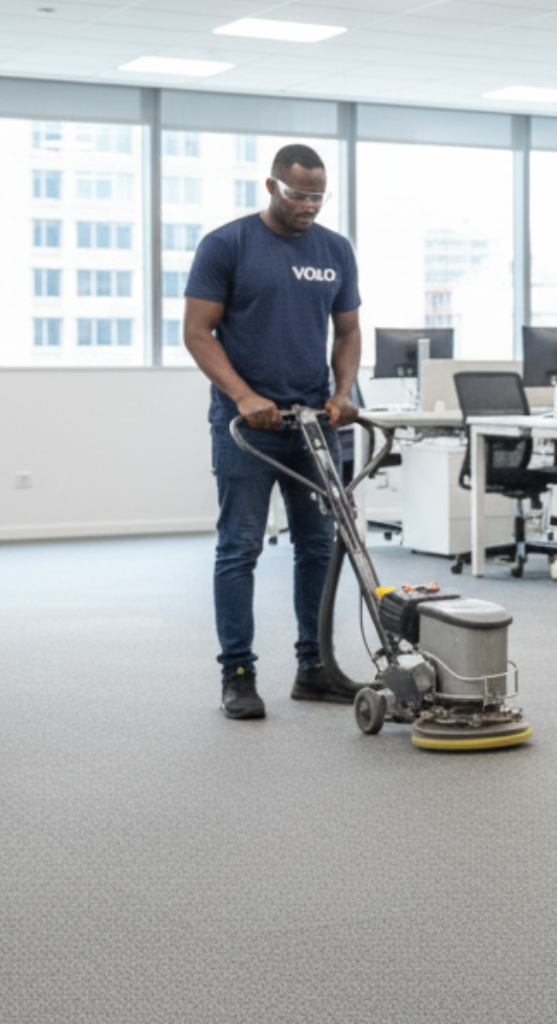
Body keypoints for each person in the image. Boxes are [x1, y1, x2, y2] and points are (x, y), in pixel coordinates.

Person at [184, 143, 363, 720]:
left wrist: (342, 395)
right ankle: (238, 673)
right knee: (240, 547)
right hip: (247, 426)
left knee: (318, 546)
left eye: (317, 195)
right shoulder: (227, 245)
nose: (308, 205)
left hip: (314, 424)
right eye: (297, 195)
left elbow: (350, 330)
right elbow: (197, 332)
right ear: (271, 187)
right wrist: (243, 395)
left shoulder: (335, 249)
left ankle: (314, 667)